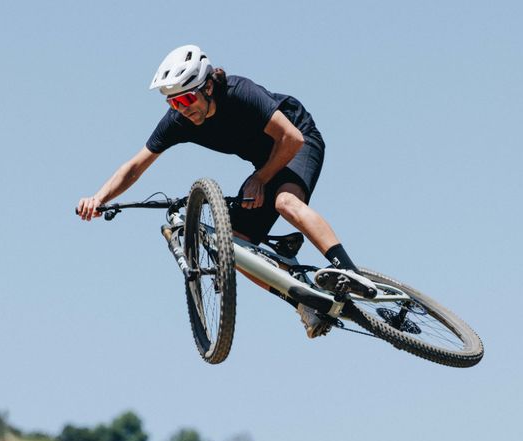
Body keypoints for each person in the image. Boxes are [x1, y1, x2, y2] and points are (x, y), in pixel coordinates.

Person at [77, 44, 377, 338]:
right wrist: (99, 198)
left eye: (187, 99)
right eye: (174, 103)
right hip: (267, 162)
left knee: (285, 201)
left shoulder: (239, 93)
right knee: (232, 247)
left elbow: (292, 139)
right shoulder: (179, 122)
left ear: (207, 87)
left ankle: (351, 273)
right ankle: (302, 303)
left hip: (297, 139)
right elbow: (135, 165)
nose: (183, 110)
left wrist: (261, 177)